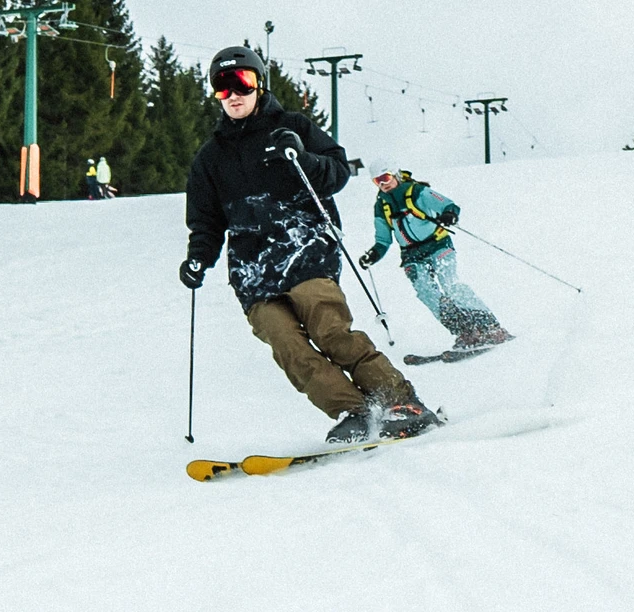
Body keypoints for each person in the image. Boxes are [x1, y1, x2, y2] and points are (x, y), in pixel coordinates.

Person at [179, 46, 441, 444]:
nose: (233, 95)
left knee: (331, 331)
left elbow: (337, 172)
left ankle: (399, 401)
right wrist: (198, 259)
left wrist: (301, 157)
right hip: (252, 271)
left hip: (305, 249)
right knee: (290, 349)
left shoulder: (292, 127)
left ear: (259, 84)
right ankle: (353, 411)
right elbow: (206, 221)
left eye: (242, 83)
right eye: (222, 87)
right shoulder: (210, 158)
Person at [358, 163, 512, 352]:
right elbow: (383, 240)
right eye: (378, 181)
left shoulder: (417, 191)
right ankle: (466, 332)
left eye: (386, 178)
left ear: (396, 175)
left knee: (450, 285)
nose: (383, 184)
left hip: (438, 244)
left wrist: (449, 215)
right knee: (426, 292)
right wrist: (373, 255)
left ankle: (490, 327)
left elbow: (449, 205)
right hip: (412, 255)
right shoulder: (381, 206)